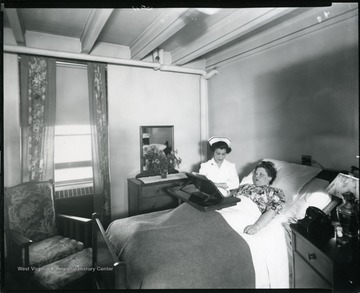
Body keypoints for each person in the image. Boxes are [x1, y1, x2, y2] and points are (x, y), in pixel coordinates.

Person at [236, 161, 285, 235]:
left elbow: (272, 211)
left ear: (270, 177)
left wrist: (256, 226)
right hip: (230, 206)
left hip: (243, 212)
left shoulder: (274, 192)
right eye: (256, 174)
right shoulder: (245, 186)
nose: (256, 176)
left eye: (261, 174)